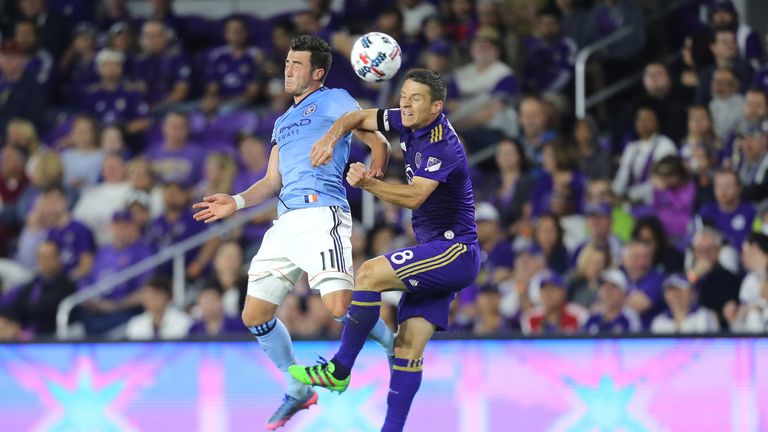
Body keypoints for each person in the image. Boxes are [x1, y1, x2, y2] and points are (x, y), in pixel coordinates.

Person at [191, 35, 392, 430]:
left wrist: (373, 175)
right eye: (285, 62)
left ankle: (393, 342)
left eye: (296, 64)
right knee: (255, 315)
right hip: (285, 223)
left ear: (317, 73)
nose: (287, 69)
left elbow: (379, 140)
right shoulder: (283, 122)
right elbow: (270, 180)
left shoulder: (337, 100)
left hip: (322, 214)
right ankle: (297, 389)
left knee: (337, 309)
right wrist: (237, 201)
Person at [284, 69, 480, 432]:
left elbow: (415, 196)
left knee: (369, 273)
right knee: (407, 349)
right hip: (436, 249)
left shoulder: (441, 144)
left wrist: (369, 183)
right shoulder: (408, 121)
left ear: (437, 106)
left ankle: (339, 369)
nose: (405, 103)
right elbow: (356, 117)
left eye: (415, 98)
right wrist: (330, 137)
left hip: (454, 250)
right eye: (404, 95)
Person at [650, 274, 720, 334]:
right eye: (670, 291)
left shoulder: (705, 316)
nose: (675, 295)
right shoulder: (659, 321)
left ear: (693, 293)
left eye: (680, 290)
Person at [583, 269, 641, 335]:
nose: (607, 291)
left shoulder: (630, 318)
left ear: (623, 293)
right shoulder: (591, 316)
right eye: (604, 286)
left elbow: (634, 343)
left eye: (613, 287)